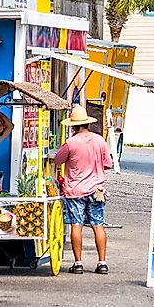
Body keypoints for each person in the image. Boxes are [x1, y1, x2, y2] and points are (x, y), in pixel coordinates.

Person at [54, 105, 113, 275]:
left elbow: (58, 160)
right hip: (96, 190)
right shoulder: (99, 140)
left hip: (75, 191)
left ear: (73, 126)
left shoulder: (71, 143)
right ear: (87, 123)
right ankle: (102, 263)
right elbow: (108, 164)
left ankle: (78, 263)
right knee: (98, 225)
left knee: (76, 225)